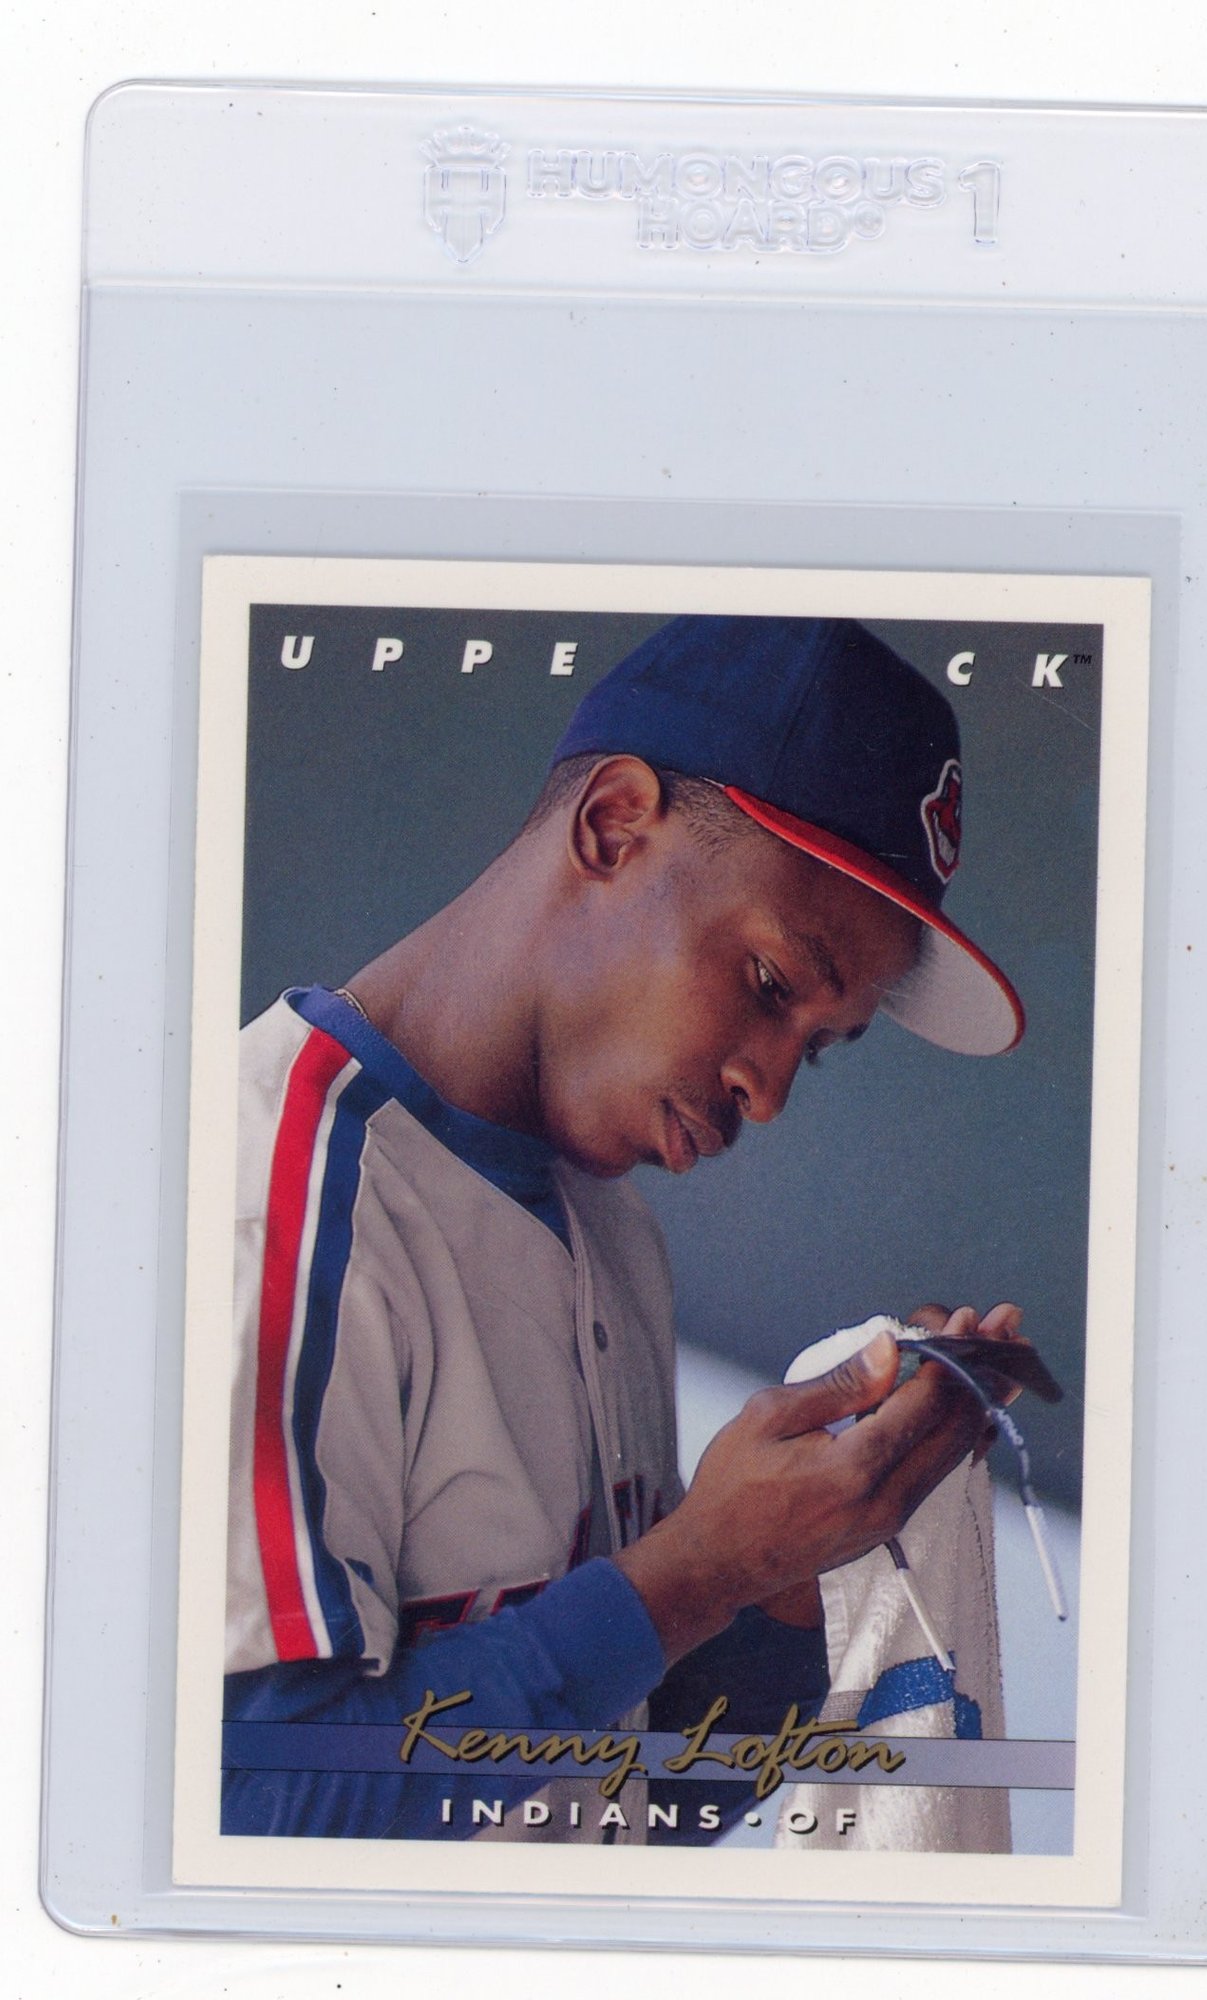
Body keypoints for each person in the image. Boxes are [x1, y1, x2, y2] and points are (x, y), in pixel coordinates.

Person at [221, 614, 1026, 1842]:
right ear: (611, 824)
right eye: (769, 983)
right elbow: (233, 1813)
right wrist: (697, 1570)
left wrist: (783, 1571)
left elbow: (627, 1805)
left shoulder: (615, 1234)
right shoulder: (259, 1194)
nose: (770, 1087)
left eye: (817, 1044)